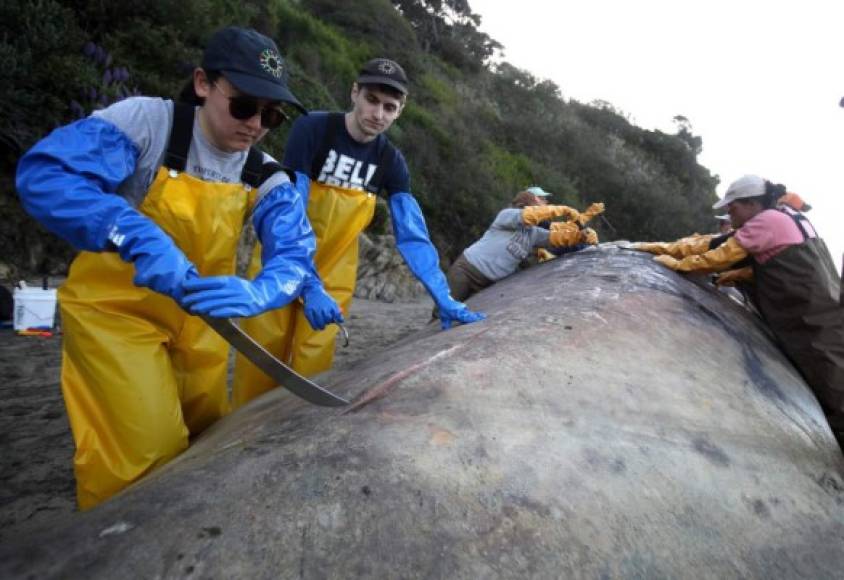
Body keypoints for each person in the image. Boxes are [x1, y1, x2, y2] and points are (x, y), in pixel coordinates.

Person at [16, 27, 316, 509]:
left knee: (207, 440)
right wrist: (129, 231)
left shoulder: (263, 171)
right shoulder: (144, 124)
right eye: (244, 106)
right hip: (117, 316)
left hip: (201, 322)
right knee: (143, 454)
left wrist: (266, 290)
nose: (256, 124)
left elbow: (295, 251)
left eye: (272, 115)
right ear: (203, 83)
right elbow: (47, 175)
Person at [232, 58, 485, 407]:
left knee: (312, 368)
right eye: (371, 100)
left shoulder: (391, 162)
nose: (378, 113)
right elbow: (290, 212)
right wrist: (307, 283)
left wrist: (442, 296)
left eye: (389, 107)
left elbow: (411, 235)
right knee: (260, 358)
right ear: (355, 92)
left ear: (400, 111)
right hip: (280, 261)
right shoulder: (313, 129)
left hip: (336, 273)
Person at [650, 175, 844, 445]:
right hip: (830, 310)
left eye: (733, 209)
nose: (731, 215)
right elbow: (784, 261)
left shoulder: (765, 222)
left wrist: (673, 263)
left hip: (810, 320)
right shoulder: (789, 216)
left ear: (752, 204)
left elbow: (717, 258)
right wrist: (743, 275)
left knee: (831, 381)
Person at [443, 187, 604, 303]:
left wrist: (582, 237)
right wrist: (562, 209)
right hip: (467, 271)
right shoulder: (506, 216)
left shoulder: (534, 234)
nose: (545, 205)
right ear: (528, 205)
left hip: (490, 283)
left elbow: (558, 238)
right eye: (541, 202)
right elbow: (529, 216)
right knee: (442, 314)